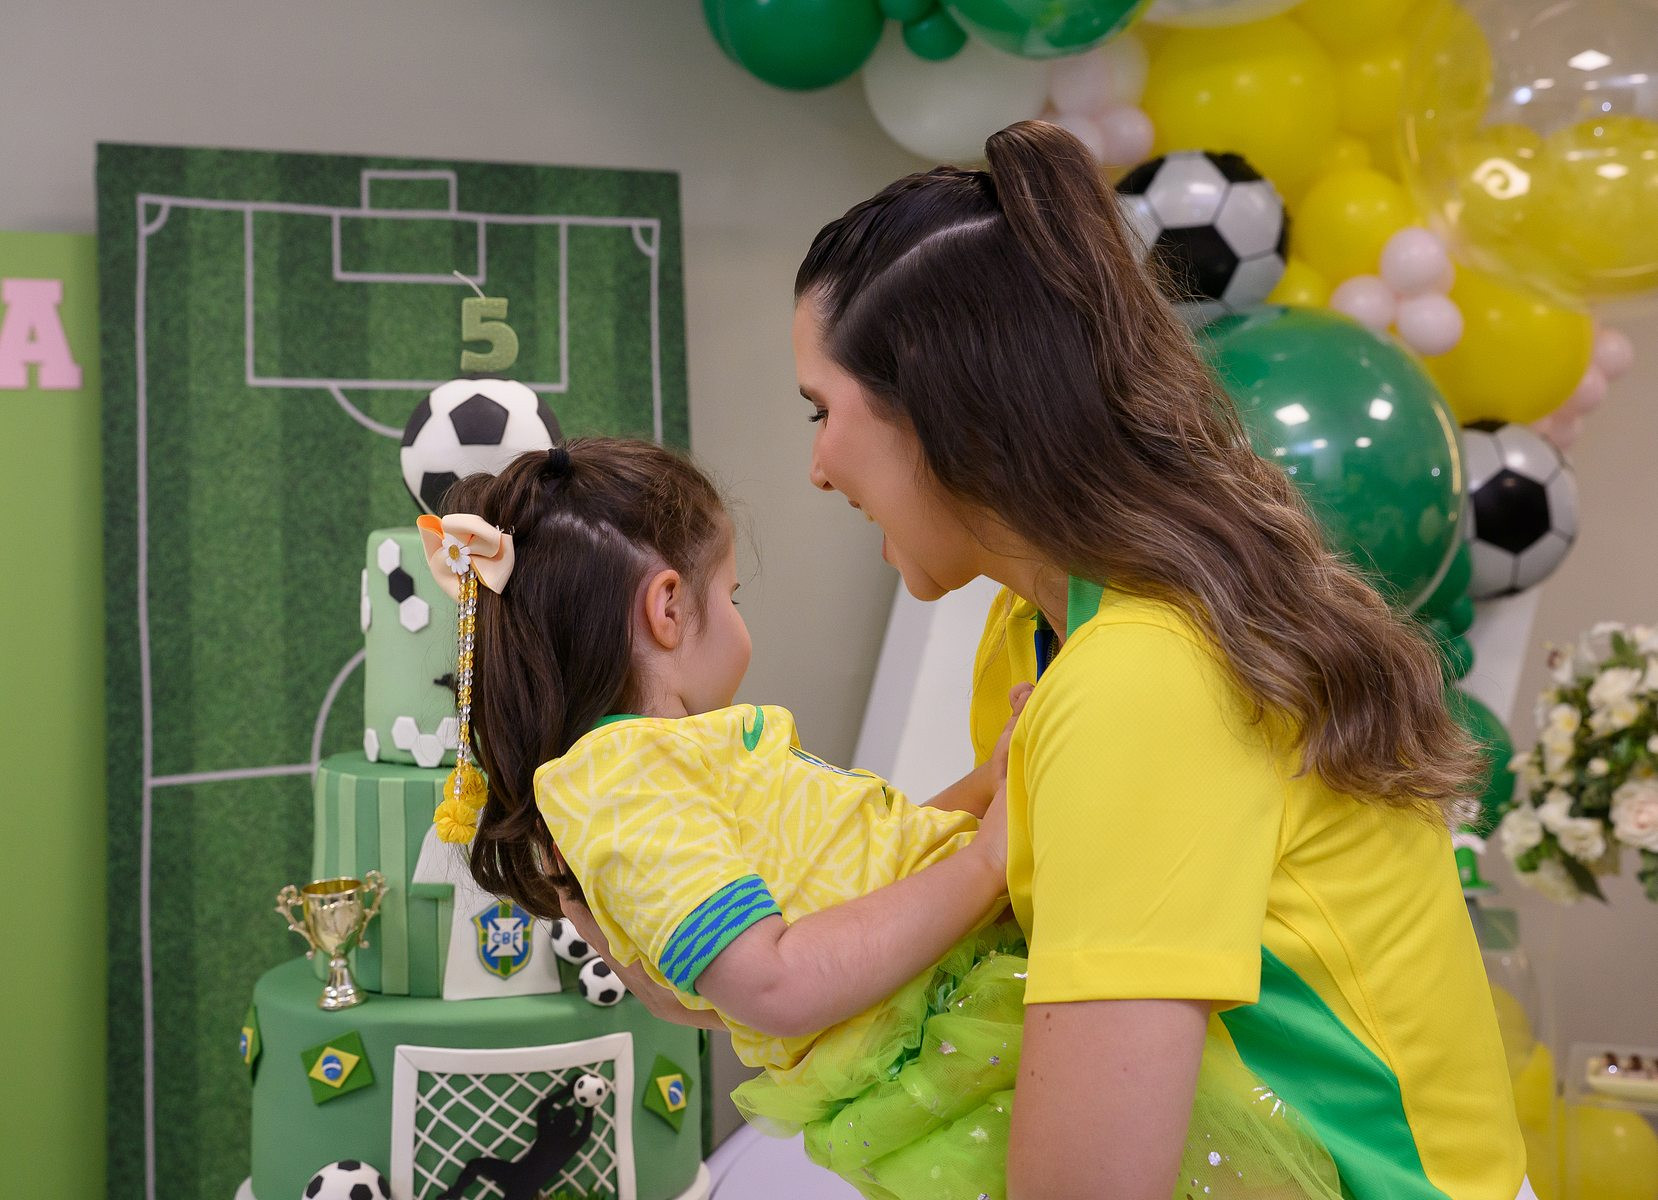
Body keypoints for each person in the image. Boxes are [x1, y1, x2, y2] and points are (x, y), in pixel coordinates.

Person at [789, 118, 1528, 1200]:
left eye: (822, 411)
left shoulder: (1139, 677)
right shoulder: (1036, 633)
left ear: (939, 408)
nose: (816, 467)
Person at [418, 437, 1344, 1200]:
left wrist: (985, 787)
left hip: (954, 1022)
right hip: (944, 1058)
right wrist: (985, 860)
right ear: (667, 608)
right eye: (731, 596)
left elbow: (861, 875)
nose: (738, 619)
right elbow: (775, 980)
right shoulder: (618, 782)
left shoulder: (669, 767)